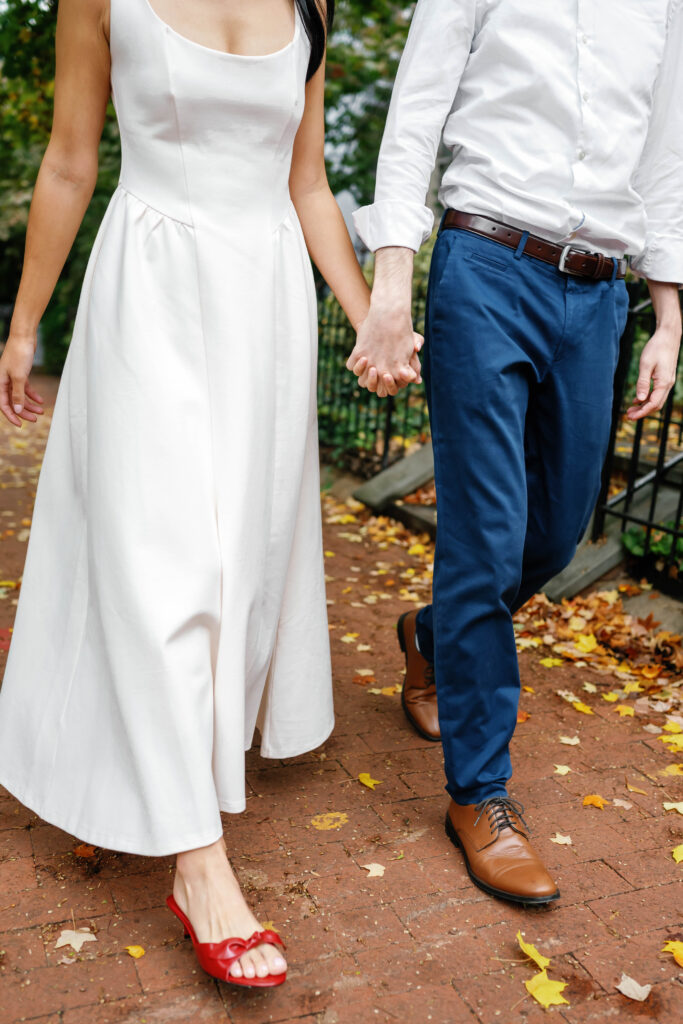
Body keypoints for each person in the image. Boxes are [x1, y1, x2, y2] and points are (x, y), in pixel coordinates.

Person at [0, 0, 409, 987]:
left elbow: (305, 184)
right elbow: (67, 160)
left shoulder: (305, 6)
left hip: (263, 302)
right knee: (159, 554)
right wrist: (22, 328)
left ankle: (153, 748)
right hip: (148, 286)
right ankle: (198, 861)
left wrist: (367, 317)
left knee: (234, 564)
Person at [348, 0, 683, 905]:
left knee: (555, 536)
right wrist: (390, 283)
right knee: (486, 540)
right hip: (485, 261)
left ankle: (430, 635)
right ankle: (479, 794)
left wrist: (668, 312)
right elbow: (414, 111)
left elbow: (663, 153)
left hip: (599, 296)